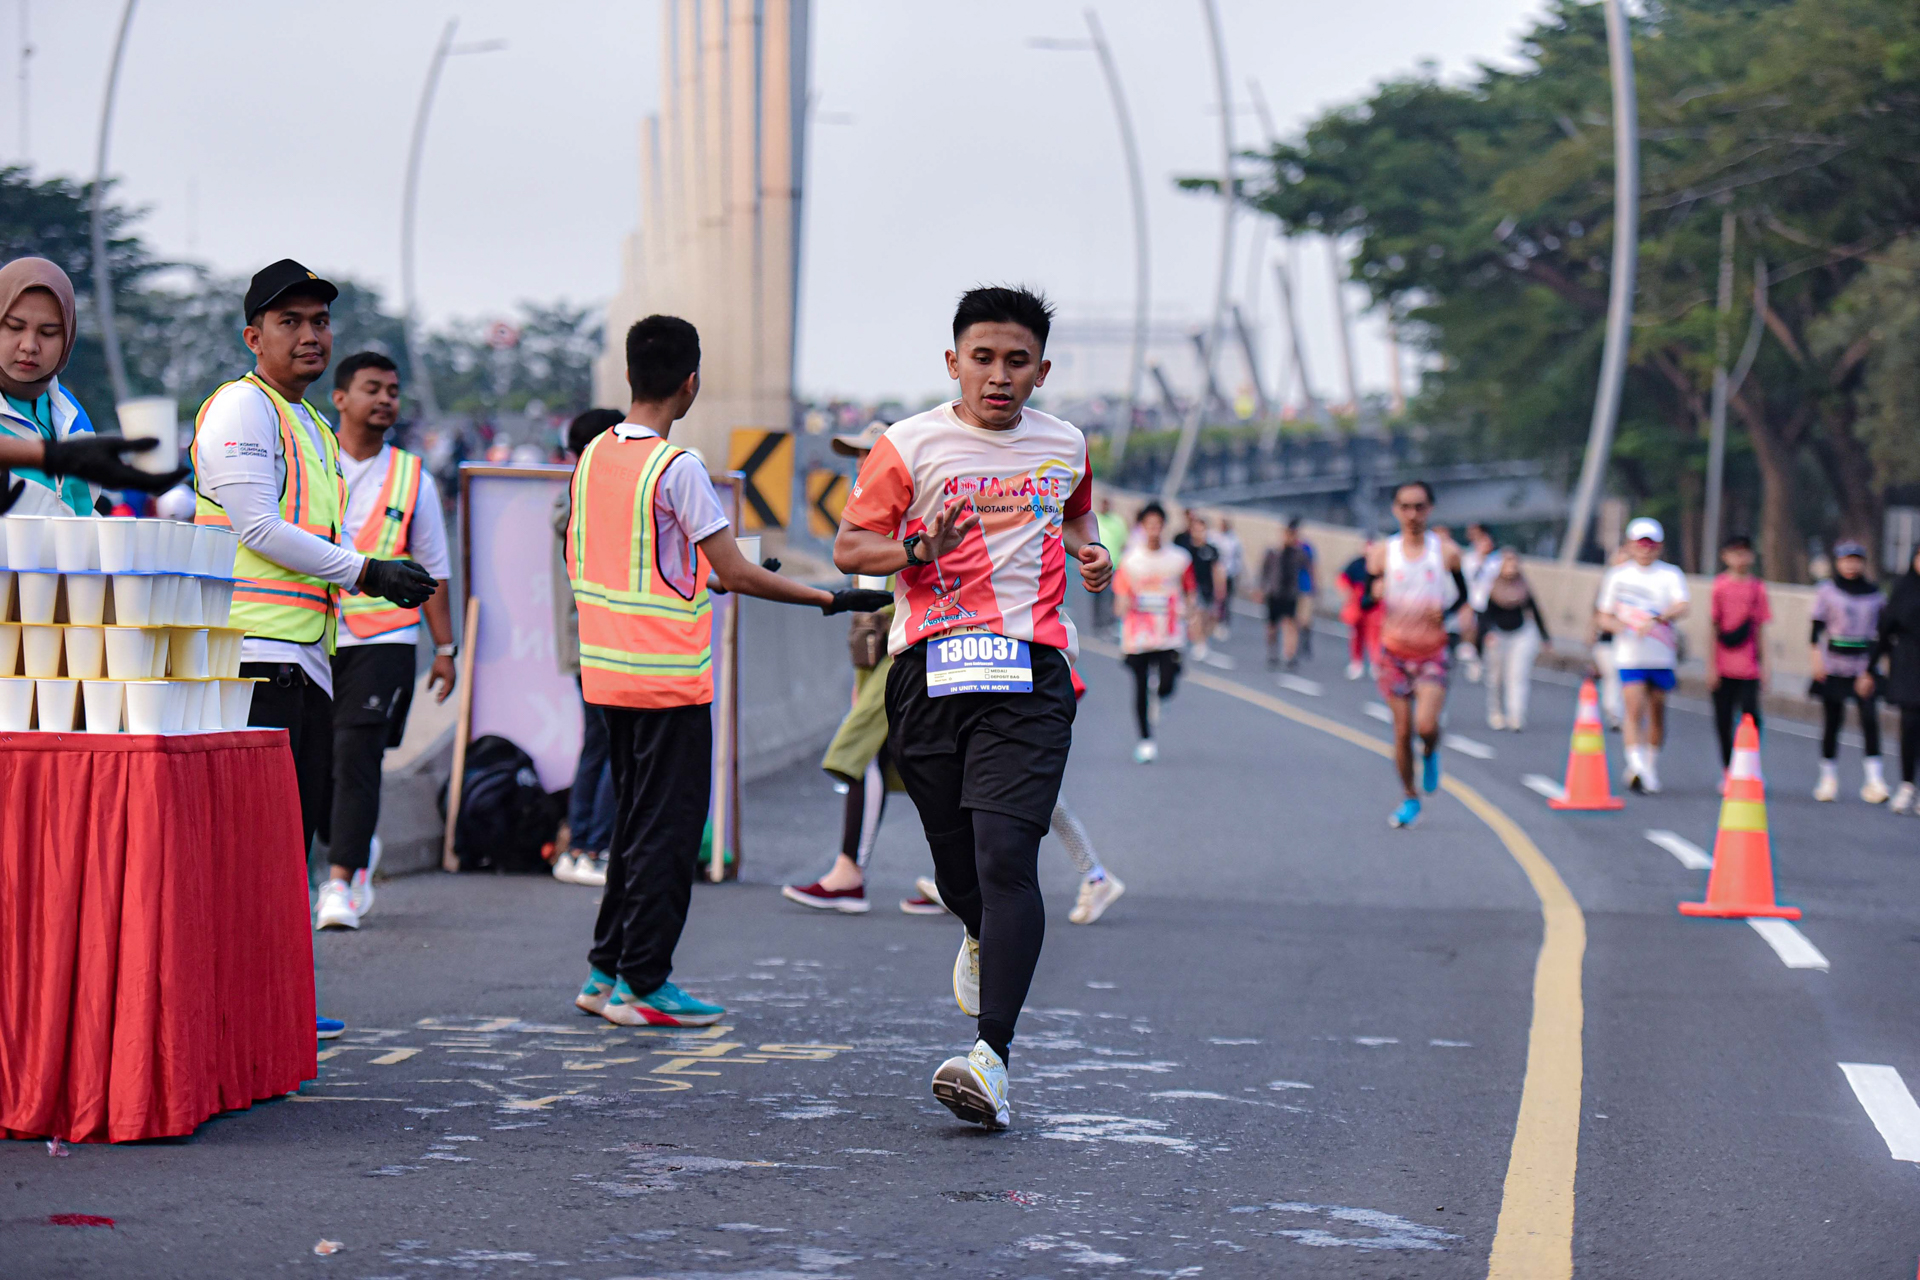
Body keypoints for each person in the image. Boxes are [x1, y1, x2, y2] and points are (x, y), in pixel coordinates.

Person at [833, 285, 1110, 1131]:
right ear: (953, 362)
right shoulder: (909, 444)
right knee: (959, 873)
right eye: (982, 358)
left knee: (1005, 859)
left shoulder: (1065, 444)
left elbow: (1079, 517)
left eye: (1017, 361)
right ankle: (979, 933)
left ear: (1041, 371)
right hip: (930, 672)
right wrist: (921, 547)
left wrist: (1093, 553)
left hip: (1030, 671)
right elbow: (851, 546)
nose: (999, 375)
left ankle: (991, 1057)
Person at [568, 315, 888, 1031]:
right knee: (670, 833)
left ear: (629, 375)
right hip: (668, 678)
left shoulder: (593, 456)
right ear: (691, 384)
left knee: (632, 825)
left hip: (608, 676)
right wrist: (830, 598)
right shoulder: (675, 467)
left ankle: (604, 972)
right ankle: (644, 985)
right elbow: (737, 572)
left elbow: (623, 558)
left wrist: (697, 576)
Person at [192, 260, 438, 1038]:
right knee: (252, 852)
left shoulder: (310, 426)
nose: (309, 334)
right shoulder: (243, 407)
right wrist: (369, 571)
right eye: (290, 321)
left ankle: (276, 1005)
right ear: (253, 336)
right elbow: (257, 527)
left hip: (300, 658)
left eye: (320, 322)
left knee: (283, 850)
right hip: (248, 660)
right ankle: (241, 1011)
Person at [310, 353, 458, 930]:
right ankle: (351, 844)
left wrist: (444, 649)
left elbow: (434, 568)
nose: (385, 400)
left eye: (393, 391)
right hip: (314, 633)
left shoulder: (413, 476)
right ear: (340, 398)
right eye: (372, 389)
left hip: (385, 638)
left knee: (357, 756)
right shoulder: (311, 461)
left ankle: (341, 881)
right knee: (318, 762)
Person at [783, 420, 904, 914]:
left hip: (903, 651)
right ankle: (959, 879)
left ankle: (850, 873)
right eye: (857, 454)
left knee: (857, 751)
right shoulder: (864, 516)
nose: (861, 463)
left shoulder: (909, 513)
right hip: (878, 655)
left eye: (871, 454)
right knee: (916, 765)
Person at [0, 257, 186, 516]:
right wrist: (55, 456)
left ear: (68, 337)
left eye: (49, 332)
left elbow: (82, 511)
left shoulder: (71, 411)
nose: (29, 345)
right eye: (14, 327)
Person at [551, 408, 627, 889]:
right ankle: (593, 849)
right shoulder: (594, 495)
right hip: (601, 639)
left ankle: (580, 847)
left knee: (597, 745)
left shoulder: (570, 495)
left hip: (585, 641)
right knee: (614, 746)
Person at [1368, 482, 1466, 828]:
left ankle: (1430, 749)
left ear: (1430, 509)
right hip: (1394, 653)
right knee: (1401, 731)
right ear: (1395, 510)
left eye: (1419, 507)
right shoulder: (1383, 552)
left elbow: (1463, 595)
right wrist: (1375, 592)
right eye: (1405, 507)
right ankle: (1410, 797)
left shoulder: (1446, 552)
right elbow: (1365, 596)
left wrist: (1446, 612)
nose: (1412, 514)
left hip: (1431, 653)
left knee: (1425, 725)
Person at [1594, 518, 1690, 793]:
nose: (1645, 549)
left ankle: (1649, 765)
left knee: (1657, 712)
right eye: (1640, 543)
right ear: (1630, 545)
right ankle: (1637, 766)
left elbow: (1683, 605)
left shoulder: (1670, 574)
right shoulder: (1618, 575)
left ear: (1659, 547)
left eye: (1651, 544)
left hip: (1661, 655)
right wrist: (1622, 626)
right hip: (1630, 655)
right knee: (1633, 708)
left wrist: (1657, 618)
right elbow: (1603, 615)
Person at [1114, 500, 1192, 763]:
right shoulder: (1130, 561)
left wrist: (1191, 613)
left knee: (1169, 677)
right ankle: (1145, 740)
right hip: (1138, 633)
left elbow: (1190, 590)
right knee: (1139, 685)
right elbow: (1120, 593)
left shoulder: (1179, 559)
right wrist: (1123, 605)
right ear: (1142, 527)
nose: (1154, 530)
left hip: (1169, 631)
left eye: (1158, 525)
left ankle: (1161, 695)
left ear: (1164, 526)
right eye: (1149, 525)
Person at [1810, 540, 1886, 804]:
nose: (1851, 565)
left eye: (1856, 560)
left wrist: (1872, 669)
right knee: (1832, 721)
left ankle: (1874, 779)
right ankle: (1828, 777)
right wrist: (1816, 660)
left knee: (1869, 719)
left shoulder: (1875, 595)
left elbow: (1882, 635)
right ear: (1838, 562)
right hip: (1834, 663)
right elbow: (1815, 630)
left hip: (1864, 664)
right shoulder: (1827, 591)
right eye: (1846, 560)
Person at [1706, 534, 1770, 775]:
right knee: (1723, 719)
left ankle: (1749, 765)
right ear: (1725, 556)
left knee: (1751, 717)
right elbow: (1713, 628)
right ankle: (1728, 768)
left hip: (1749, 667)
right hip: (1724, 665)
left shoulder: (1757, 588)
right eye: (1735, 553)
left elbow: (1761, 630)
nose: (1740, 558)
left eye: (1744, 552)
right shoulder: (1720, 586)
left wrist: (1766, 667)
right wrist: (1711, 667)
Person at [1871, 547, 1920, 814]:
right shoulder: (1903, 588)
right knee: (1909, 726)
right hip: (1909, 666)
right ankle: (1907, 784)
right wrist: (1871, 666)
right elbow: (1886, 628)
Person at [1480, 549, 1549, 731]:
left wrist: (1545, 637)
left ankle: (1516, 715)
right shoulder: (1494, 586)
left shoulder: (1523, 586)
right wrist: (1486, 635)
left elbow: (1535, 611)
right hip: (1498, 635)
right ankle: (1496, 712)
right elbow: (1486, 615)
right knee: (1496, 677)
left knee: (1517, 675)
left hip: (1520, 634)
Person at [1173, 511, 1223, 660]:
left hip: (1207, 586)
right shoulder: (1186, 548)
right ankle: (1198, 642)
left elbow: (1216, 570)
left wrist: (1220, 589)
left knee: (1207, 616)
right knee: (1196, 614)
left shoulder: (1211, 550)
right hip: (1191, 587)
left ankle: (1202, 638)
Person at [1261, 519, 1309, 669]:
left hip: (1291, 593)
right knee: (1272, 625)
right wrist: (1261, 589)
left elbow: (1309, 568)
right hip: (1274, 592)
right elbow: (1264, 571)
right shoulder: (1273, 552)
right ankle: (1272, 651)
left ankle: (1289, 654)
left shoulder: (1299, 553)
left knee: (1290, 624)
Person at [1458, 523, 1498, 683]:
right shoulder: (1469, 559)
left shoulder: (1496, 562)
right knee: (1470, 631)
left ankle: (1481, 662)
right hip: (1470, 601)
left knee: (1484, 635)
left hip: (1488, 603)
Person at [1339, 536, 1382, 680]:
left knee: (1374, 636)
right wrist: (1348, 593)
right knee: (1356, 635)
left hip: (1374, 605)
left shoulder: (1379, 565)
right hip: (1358, 604)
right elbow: (1343, 578)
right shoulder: (1356, 564)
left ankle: (1376, 663)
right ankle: (1356, 663)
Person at [1091, 496, 1129, 636]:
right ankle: (1097, 623)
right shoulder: (1093, 519)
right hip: (1096, 565)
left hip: (1113, 565)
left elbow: (1123, 542)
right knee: (1097, 595)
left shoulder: (1117, 521)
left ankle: (1109, 623)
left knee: (1112, 595)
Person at [1214, 516, 1244, 641]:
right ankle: (1216, 621)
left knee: (1226, 600)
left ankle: (1224, 622)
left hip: (1229, 573)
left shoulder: (1234, 540)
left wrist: (1238, 573)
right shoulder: (1215, 538)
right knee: (1217, 599)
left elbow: (1238, 558)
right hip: (1217, 573)